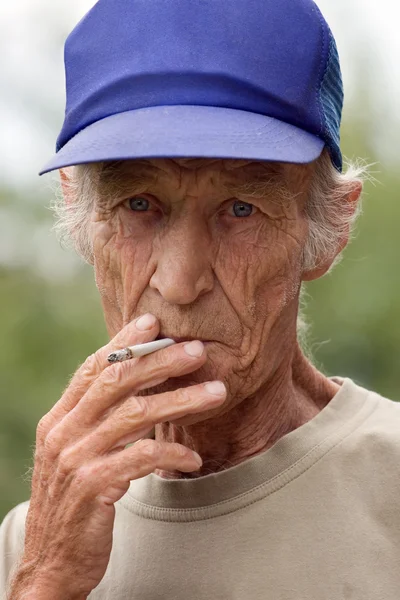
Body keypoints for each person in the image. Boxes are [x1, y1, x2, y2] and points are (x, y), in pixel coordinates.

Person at [2, 0, 400, 598]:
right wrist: (45, 581)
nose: (179, 283)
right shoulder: (32, 540)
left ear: (331, 229)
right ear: (82, 221)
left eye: (240, 210)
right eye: (138, 205)